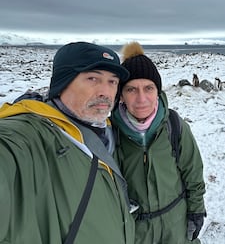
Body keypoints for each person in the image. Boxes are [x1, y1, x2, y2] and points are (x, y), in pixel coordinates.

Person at [0, 42, 135, 244]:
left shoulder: (106, 131)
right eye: (93, 78)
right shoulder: (28, 135)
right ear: (63, 82)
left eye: (112, 82)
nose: (105, 92)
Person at [113, 42, 206, 244]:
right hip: (136, 233)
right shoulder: (111, 132)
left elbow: (193, 173)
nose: (141, 98)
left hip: (176, 227)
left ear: (158, 91)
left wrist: (196, 211)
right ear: (121, 95)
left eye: (149, 88)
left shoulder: (174, 125)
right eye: (131, 89)